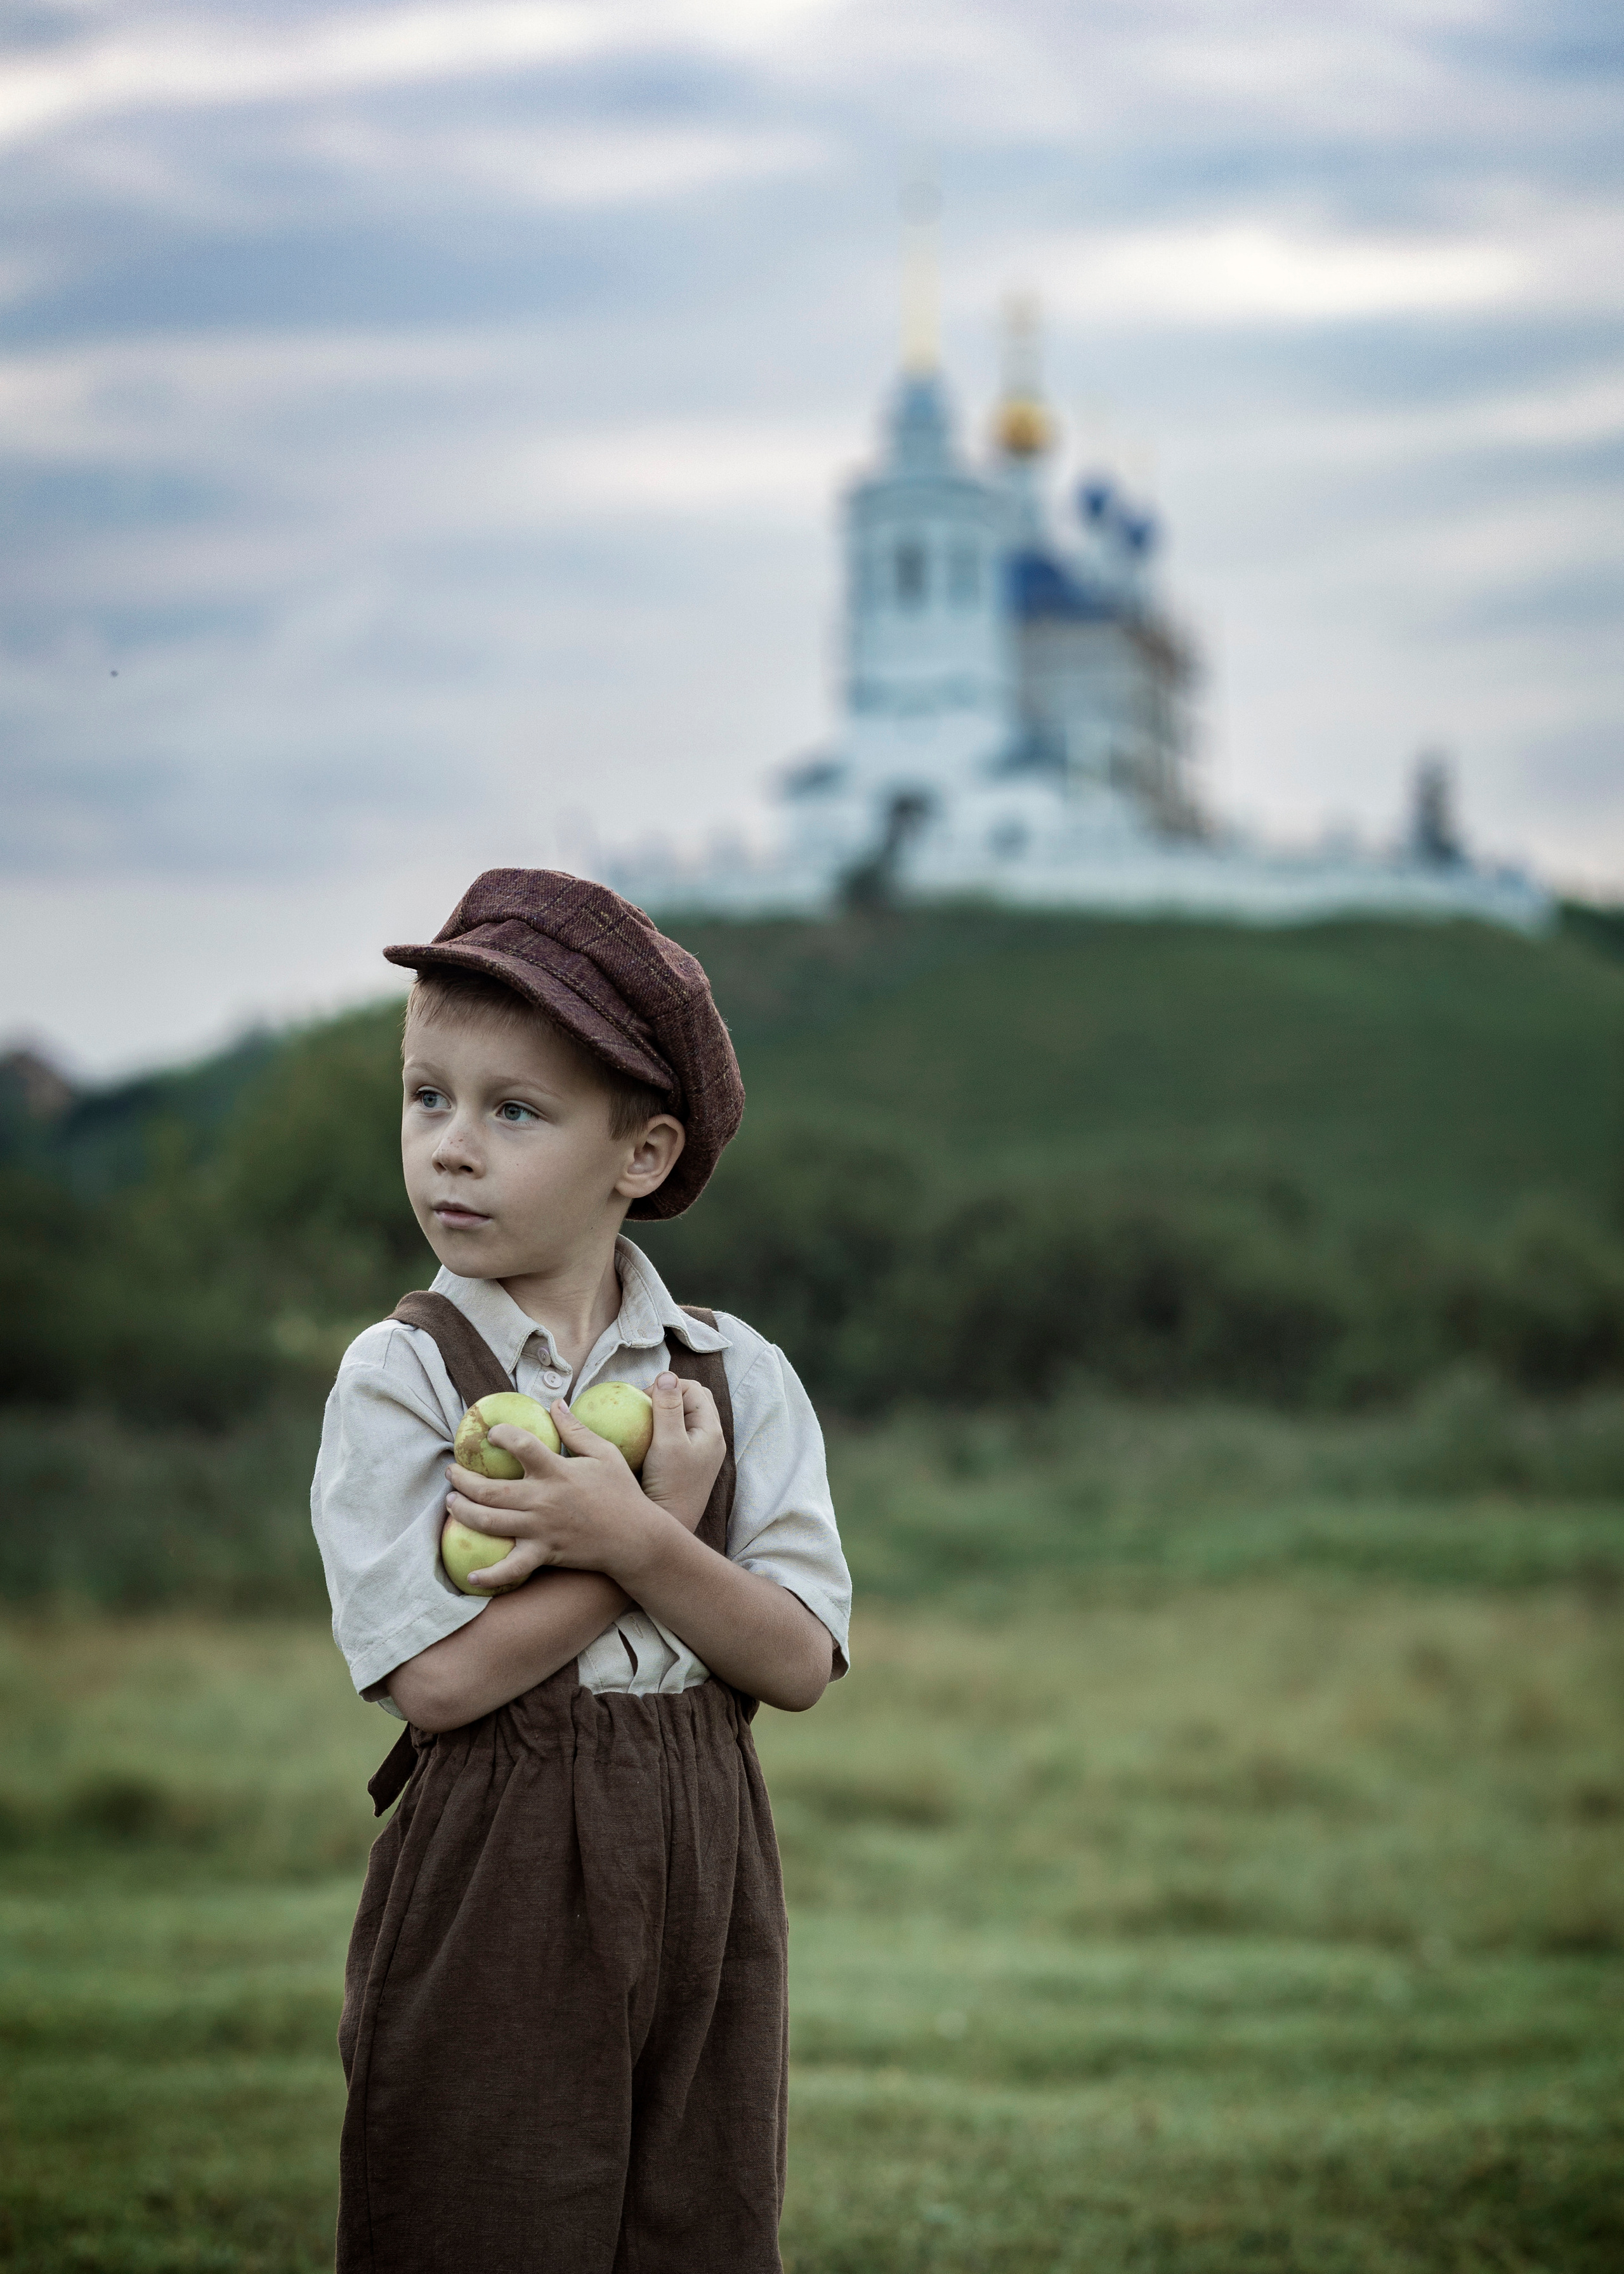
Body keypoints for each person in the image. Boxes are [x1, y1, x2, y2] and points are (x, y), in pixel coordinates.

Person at [310, 867, 851, 2274]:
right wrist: (638, 1540)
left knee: (699, 2211)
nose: (452, 1149)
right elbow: (437, 1687)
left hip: (706, 1849)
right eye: (426, 1098)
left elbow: (796, 1662)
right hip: (497, 1849)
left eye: (515, 1112)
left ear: (643, 1155)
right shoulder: (406, 1375)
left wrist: (643, 1533)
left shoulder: (733, 1376)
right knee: (481, 2203)